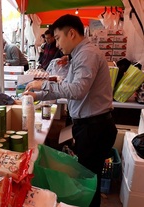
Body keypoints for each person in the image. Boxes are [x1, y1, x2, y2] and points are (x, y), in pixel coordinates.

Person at [23, 14, 117, 207]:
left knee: (88, 182)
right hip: (91, 126)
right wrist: (37, 95)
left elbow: (76, 90)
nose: (56, 44)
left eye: (58, 38)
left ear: (72, 33)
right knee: (89, 180)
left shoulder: (87, 54)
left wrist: (42, 85)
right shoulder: (79, 55)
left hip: (94, 128)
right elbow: (68, 85)